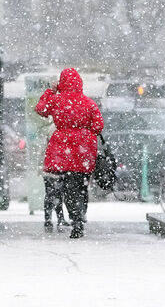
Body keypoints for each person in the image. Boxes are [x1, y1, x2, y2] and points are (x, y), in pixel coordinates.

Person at [35, 68, 104, 239]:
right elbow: (98, 126)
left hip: (62, 148)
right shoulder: (89, 103)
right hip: (84, 149)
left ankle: (75, 218)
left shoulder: (57, 100)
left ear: (62, 83)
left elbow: (41, 109)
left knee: (68, 186)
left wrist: (51, 90)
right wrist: (83, 132)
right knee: (80, 184)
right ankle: (81, 213)